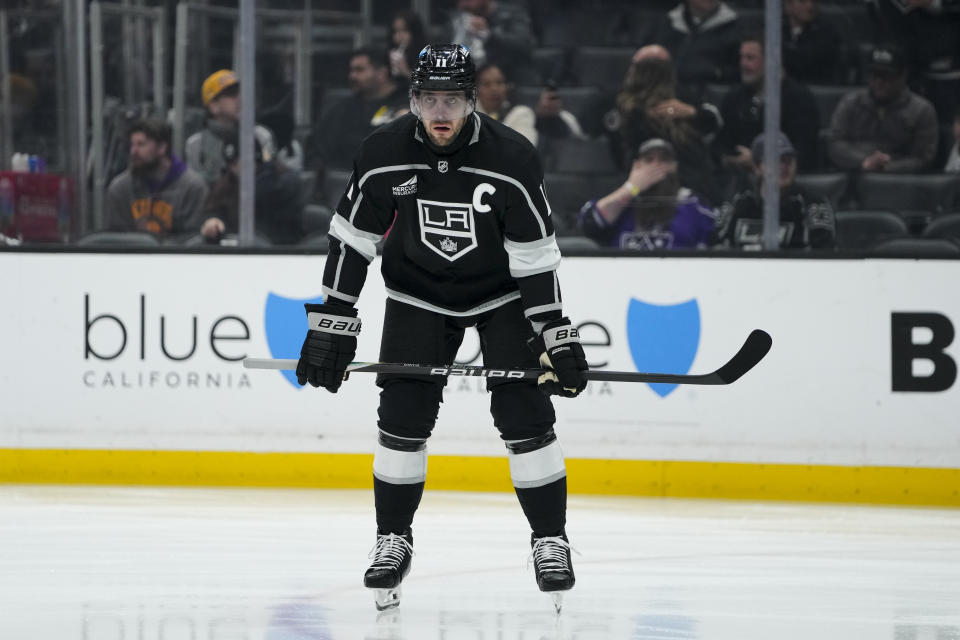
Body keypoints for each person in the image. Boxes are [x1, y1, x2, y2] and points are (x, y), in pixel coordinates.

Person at [294, 44, 588, 611]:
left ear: (473, 100)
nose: (440, 111)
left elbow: (533, 255)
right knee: (403, 416)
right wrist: (334, 319)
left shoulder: (512, 157)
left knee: (524, 412)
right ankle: (392, 539)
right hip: (417, 292)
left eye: (451, 98)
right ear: (412, 100)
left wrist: (554, 331)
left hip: (501, 295)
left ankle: (550, 539)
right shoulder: (382, 151)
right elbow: (352, 237)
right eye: (428, 98)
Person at [608, 44, 724, 206]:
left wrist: (692, 113)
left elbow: (714, 123)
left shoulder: (684, 102)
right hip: (642, 190)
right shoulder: (626, 109)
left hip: (689, 190)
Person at [577, 138, 716, 250]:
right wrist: (631, 188)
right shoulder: (621, 198)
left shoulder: (693, 203)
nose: (656, 165)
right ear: (637, 166)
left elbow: (714, 240)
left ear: (674, 166)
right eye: (649, 160)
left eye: (664, 160)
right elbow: (589, 223)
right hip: (623, 278)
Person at [715, 34, 820, 174]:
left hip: (782, 180)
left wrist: (759, 160)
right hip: (736, 178)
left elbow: (804, 150)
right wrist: (728, 159)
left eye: (750, 58)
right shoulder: (734, 96)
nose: (743, 64)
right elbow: (721, 142)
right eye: (742, 57)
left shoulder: (799, 99)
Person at [827, 44, 939, 173]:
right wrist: (865, 162)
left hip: (902, 181)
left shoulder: (922, 110)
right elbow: (835, 144)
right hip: (854, 174)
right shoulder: (850, 103)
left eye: (886, 76)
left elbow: (923, 158)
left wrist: (888, 167)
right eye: (874, 75)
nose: (879, 82)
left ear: (903, 76)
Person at [715, 132, 836, 250]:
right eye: (774, 161)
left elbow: (824, 255)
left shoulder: (813, 204)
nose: (783, 167)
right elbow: (715, 245)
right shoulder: (738, 201)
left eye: (788, 160)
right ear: (757, 168)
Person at [306, 48, 409, 171]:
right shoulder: (344, 108)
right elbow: (318, 146)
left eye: (360, 70)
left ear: (382, 73)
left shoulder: (408, 105)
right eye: (351, 70)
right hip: (343, 179)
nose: (352, 76)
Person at [106, 118, 208, 239]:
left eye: (141, 144)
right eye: (132, 145)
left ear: (162, 148)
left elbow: (193, 240)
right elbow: (118, 240)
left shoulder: (192, 187)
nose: (133, 151)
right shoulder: (120, 188)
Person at [198, 136, 304, 246]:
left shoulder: (283, 182)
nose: (235, 169)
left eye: (240, 162)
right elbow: (214, 209)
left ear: (256, 160)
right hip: (236, 251)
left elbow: (267, 200)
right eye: (232, 164)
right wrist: (214, 221)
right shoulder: (227, 184)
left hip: (279, 252)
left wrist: (265, 173)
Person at [185, 69, 276, 185]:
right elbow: (196, 188)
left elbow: (272, 180)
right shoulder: (196, 145)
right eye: (231, 94)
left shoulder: (262, 136)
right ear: (214, 106)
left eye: (240, 92)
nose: (240, 99)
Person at [474, 63, 584, 147]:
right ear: (476, 89)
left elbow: (523, 151)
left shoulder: (520, 114)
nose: (494, 89)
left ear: (507, 87)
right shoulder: (465, 116)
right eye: (486, 84)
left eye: (499, 83)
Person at [643, 0, 741, 87]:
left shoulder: (735, 28)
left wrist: (715, 73)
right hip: (666, 92)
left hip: (710, 96)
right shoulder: (667, 24)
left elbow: (740, 71)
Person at [449, 0, 538, 84]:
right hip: (472, 81)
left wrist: (489, 35)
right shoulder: (459, 19)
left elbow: (524, 46)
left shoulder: (513, 14)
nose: (464, 3)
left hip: (511, 78)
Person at [782, 0, 843, 85]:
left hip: (816, 88)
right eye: (802, 1)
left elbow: (805, 62)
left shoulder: (826, 31)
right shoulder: (776, 28)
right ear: (787, 5)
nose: (810, 6)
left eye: (814, 1)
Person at [387, 9, 429, 84]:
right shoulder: (389, 53)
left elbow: (428, 84)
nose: (400, 35)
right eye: (395, 31)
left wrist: (406, 71)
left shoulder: (427, 56)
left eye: (405, 30)